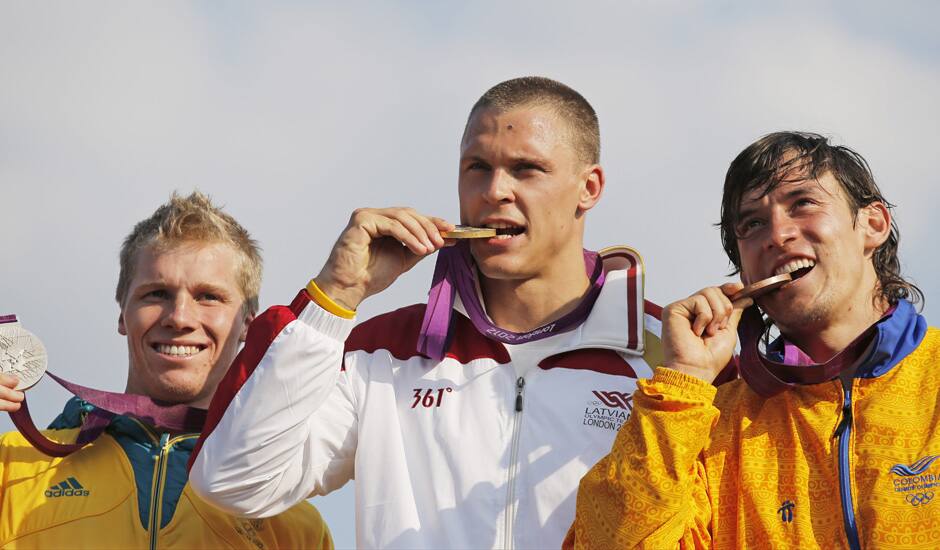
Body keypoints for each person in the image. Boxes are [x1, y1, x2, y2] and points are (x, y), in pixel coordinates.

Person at [189, 76, 665, 549]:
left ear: (589, 187)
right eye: (477, 167)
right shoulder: (380, 352)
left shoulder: (672, 356)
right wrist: (337, 293)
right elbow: (234, 482)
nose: (494, 190)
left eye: (525, 169)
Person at [566, 131, 937, 549]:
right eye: (753, 223)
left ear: (873, 224)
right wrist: (682, 380)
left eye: (802, 203)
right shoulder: (713, 425)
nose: (777, 235)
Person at [0, 192, 332, 549]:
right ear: (122, 315)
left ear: (248, 325)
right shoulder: (12, 468)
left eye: (209, 296)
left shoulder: (288, 518)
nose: (179, 318)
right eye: (156, 294)